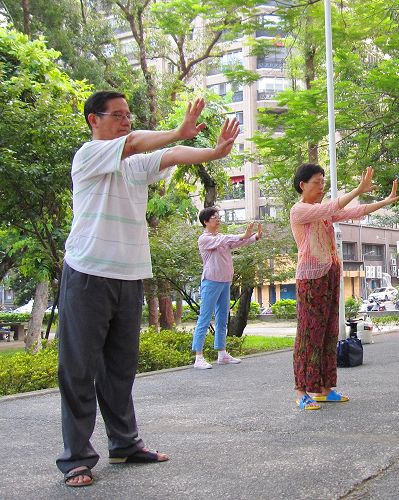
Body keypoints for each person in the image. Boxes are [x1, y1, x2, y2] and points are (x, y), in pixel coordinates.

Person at [57, 91, 240, 487]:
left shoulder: (135, 165)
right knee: (79, 370)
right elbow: (140, 140)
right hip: (87, 274)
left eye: (129, 115)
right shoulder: (88, 156)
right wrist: (177, 130)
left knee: (120, 369)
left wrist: (214, 153)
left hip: (129, 276)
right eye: (118, 115)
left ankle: (124, 444)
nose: (126, 121)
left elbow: (172, 156)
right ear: (93, 119)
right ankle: (76, 458)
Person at [290, 164, 398, 410]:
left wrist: (385, 201)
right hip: (310, 278)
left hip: (329, 274)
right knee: (309, 334)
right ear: (302, 185)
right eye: (317, 182)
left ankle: (325, 388)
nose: (321, 186)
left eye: (322, 181)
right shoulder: (299, 210)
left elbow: (354, 211)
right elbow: (334, 206)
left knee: (329, 332)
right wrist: (358, 189)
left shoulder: (321, 211)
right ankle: (301, 390)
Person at [192, 206, 263, 369]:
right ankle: (198, 356)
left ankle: (222, 353)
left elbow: (236, 241)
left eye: (219, 217)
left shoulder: (221, 237)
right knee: (205, 317)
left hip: (225, 281)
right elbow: (228, 239)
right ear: (205, 221)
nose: (218, 220)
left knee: (223, 317)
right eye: (214, 217)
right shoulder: (205, 239)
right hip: (210, 281)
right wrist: (244, 235)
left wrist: (255, 237)